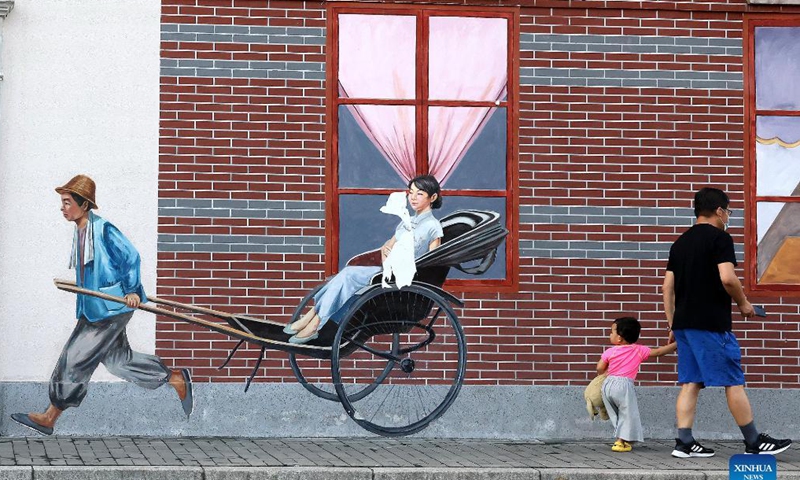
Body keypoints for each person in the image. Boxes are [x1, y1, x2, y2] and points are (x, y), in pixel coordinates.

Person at [10, 174, 193, 436]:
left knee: (74, 358)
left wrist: (132, 291)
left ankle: (49, 417)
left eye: (67, 202)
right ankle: (174, 377)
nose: (62, 208)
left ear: (84, 205)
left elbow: (130, 257)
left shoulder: (104, 228)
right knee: (119, 361)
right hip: (95, 307)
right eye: (62, 203)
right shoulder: (81, 230)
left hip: (111, 307)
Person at [663, 187, 792, 457]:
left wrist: (673, 324)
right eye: (728, 210)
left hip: (685, 324)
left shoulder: (680, 243)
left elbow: (668, 287)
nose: (728, 215)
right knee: (733, 380)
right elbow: (727, 278)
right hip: (710, 323)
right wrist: (744, 304)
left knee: (691, 382)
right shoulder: (720, 238)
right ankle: (754, 441)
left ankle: (684, 442)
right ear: (719, 211)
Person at [285, 174, 444, 344]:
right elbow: (387, 246)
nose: (413, 197)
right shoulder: (408, 221)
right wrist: (388, 255)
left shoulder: (433, 227)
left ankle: (315, 322)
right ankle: (312, 316)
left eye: (419, 193)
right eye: (411, 192)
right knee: (346, 275)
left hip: (404, 277)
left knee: (348, 276)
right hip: (387, 269)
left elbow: (430, 263)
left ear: (432, 197)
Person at [596, 316, 677, 452]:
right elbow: (658, 352)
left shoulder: (610, 351)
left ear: (619, 338)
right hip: (624, 385)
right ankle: (621, 441)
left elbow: (599, 367)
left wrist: (605, 372)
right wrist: (676, 344)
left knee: (615, 413)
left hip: (608, 384)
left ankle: (622, 438)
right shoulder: (638, 350)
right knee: (627, 413)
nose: (610, 334)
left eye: (612, 332)